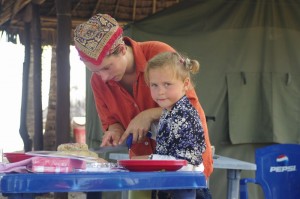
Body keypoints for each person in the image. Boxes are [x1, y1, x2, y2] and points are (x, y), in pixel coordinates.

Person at [73, 13, 213, 198]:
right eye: (96, 71)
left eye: (107, 68)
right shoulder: (98, 82)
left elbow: (190, 108)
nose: (103, 77)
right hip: (141, 167)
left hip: (184, 169)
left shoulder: (158, 54)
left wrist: (149, 114)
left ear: (122, 49)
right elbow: (111, 121)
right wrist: (114, 130)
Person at [144, 51, 206, 199]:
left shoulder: (184, 115)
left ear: (185, 84)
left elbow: (183, 162)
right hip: (170, 184)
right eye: (154, 85)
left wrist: (149, 160)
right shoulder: (168, 111)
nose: (160, 92)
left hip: (184, 189)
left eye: (167, 84)